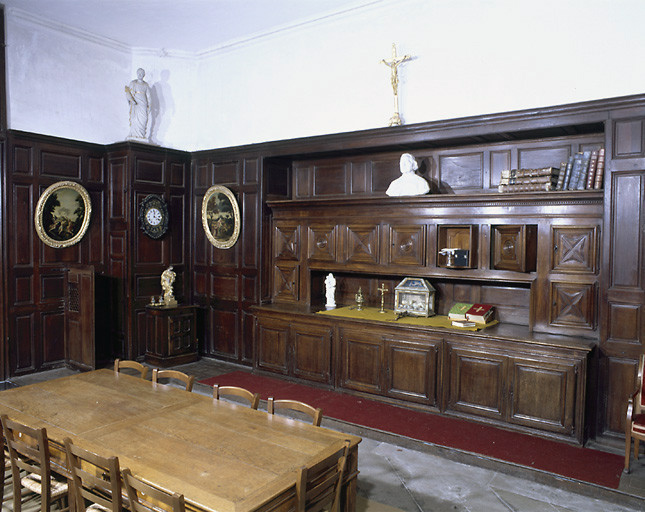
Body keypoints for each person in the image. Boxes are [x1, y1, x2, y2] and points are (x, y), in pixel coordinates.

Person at [125, 68, 151, 141]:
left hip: (143, 104)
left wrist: (150, 106)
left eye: (141, 73)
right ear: (137, 74)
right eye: (139, 73)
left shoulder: (146, 85)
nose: (140, 75)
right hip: (136, 104)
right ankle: (134, 134)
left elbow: (149, 97)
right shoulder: (133, 83)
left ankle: (141, 135)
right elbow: (128, 93)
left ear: (144, 75)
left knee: (144, 119)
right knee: (135, 119)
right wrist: (132, 100)